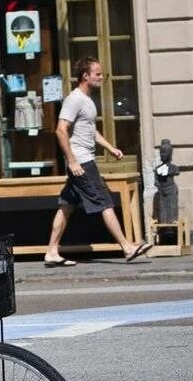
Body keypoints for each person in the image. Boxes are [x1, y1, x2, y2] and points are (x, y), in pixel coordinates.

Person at [43, 56, 152, 267]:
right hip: (82, 163)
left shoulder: (87, 100)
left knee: (66, 205)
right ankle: (127, 247)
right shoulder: (74, 99)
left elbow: (90, 131)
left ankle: (51, 251)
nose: (102, 77)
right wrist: (72, 161)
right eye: (98, 74)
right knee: (105, 202)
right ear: (86, 76)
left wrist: (110, 148)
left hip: (83, 159)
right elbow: (60, 130)